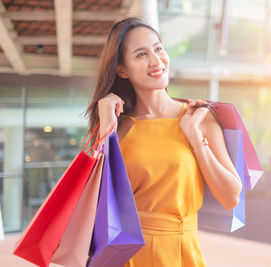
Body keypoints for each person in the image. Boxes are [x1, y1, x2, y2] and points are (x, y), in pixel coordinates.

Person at [86, 17, 242, 267]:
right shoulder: (117, 126)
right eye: (141, 55)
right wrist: (105, 131)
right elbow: (96, 201)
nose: (156, 60)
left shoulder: (199, 117)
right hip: (124, 256)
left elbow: (231, 197)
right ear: (121, 70)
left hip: (180, 253)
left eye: (158, 48)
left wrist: (194, 136)